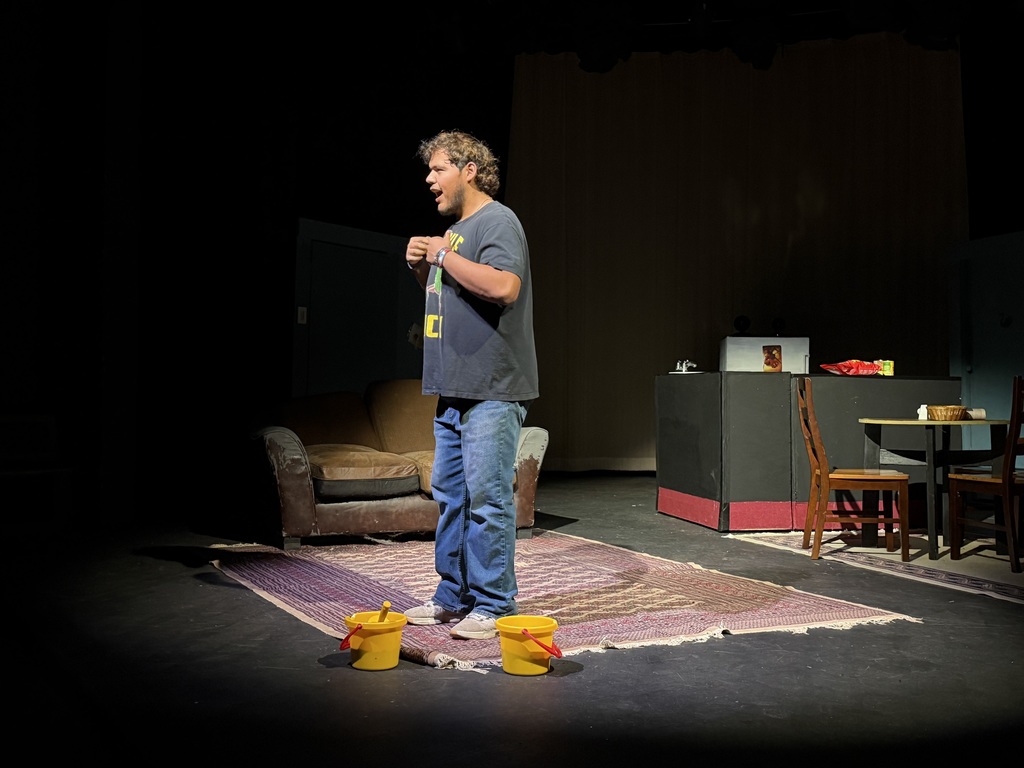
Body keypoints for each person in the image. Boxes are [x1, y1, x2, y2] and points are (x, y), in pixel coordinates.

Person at [403, 130, 539, 640]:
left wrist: (440, 255)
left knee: (486, 498)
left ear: (469, 171)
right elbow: (454, 293)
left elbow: (504, 287)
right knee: (453, 498)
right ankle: (451, 596)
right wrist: (422, 268)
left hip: (492, 388)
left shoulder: (497, 220)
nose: (429, 179)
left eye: (438, 169)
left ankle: (495, 603)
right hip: (455, 385)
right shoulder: (456, 233)